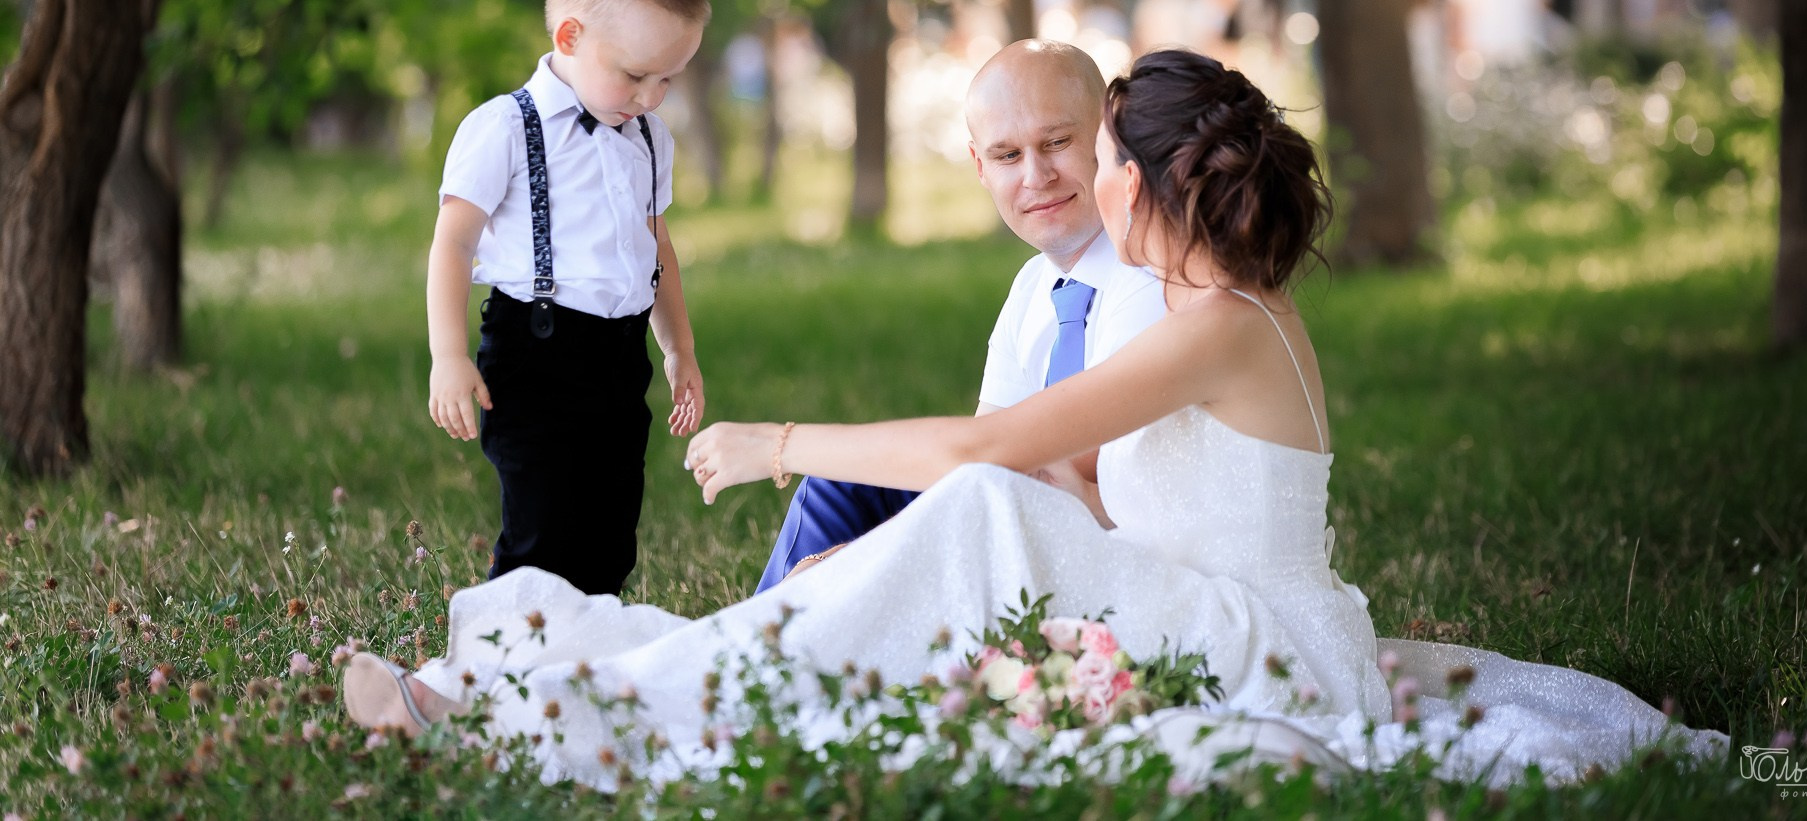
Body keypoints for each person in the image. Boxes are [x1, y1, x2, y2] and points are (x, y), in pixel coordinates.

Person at [350, 50, 1724, 787]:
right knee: (957, 533)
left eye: (1097, 150)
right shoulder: (1207, 308)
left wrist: (778, 446)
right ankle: (608, 682)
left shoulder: (1215, 325)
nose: (1074, 172)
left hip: (1259, 641)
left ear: (1139, 179)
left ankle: (544, 703)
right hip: (1182, 600)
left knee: (985, 505)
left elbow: (995, 456)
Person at [757, 40, 1166, 589]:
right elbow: (984, 469)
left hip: (1110, 546)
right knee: (839, 480)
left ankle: (774, 639)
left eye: (1057, 141)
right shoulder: (1033, 287)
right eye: (1007, 156)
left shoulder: (1148, 277)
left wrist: (868, 560)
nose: (1035, 175)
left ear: (1106, 136)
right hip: (1034, 515)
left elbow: (1075, 481)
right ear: (979, 165)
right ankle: (770, 635)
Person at [423, 0, 708, 598]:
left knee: (610, 527)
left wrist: (679, 347)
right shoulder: (502, 128)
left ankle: (588, 654)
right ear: (570, 38)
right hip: (534, 353)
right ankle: (501, 657)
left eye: (667, 78)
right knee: (542, 526)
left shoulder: (649, 137)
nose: (650, 96)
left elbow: (655, 247)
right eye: (636, 75)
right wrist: (448, 354)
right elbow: (453, 242)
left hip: (618, 354)